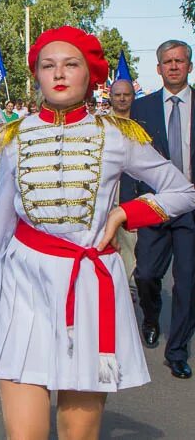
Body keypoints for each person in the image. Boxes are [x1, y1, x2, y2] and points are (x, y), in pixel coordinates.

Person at [0, 26, 195, 439]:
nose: (59, 74)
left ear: (91, 75)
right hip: (24, 283)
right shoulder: (15, 136)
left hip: (89, 285)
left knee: (77, 434)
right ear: (37, 76)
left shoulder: (118, 135)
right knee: (24, 434)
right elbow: (0, 222)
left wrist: (125, 213)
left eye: (71, 64)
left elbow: (182, 190)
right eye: (48, 66)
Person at [128, 40, 195, 379]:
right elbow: (131, 160)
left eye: (179, 61)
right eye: (167, 61)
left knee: (188, 281)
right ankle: (151, 317)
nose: (173, 66)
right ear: (158, 68)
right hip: (155, 205)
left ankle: (178, 350)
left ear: (189, 66)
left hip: (192, 209)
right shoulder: (143, 109)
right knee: (147, 275)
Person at [108, 79, 139, 300]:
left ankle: (126, 289)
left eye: (126, 95)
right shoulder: (100, 125)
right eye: (117, 94)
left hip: (131, 196)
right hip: (106, 196)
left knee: (129, 246)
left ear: (132, 97)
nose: (121, 99)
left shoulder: (141, 125)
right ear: (110, 97)